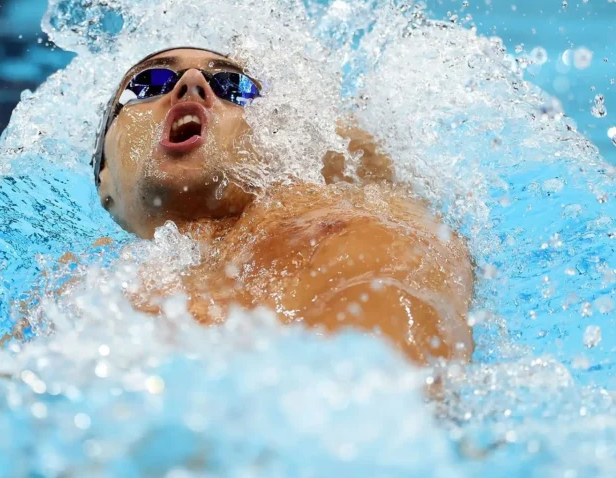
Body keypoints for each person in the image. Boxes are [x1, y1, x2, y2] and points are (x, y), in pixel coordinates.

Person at [90, 47, 474, 364]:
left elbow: (387, 381)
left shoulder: (344, 226)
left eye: (232, 87)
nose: (193, 84)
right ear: (104, 174)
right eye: (150, 83)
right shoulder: (87, 292)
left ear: (271, 148)